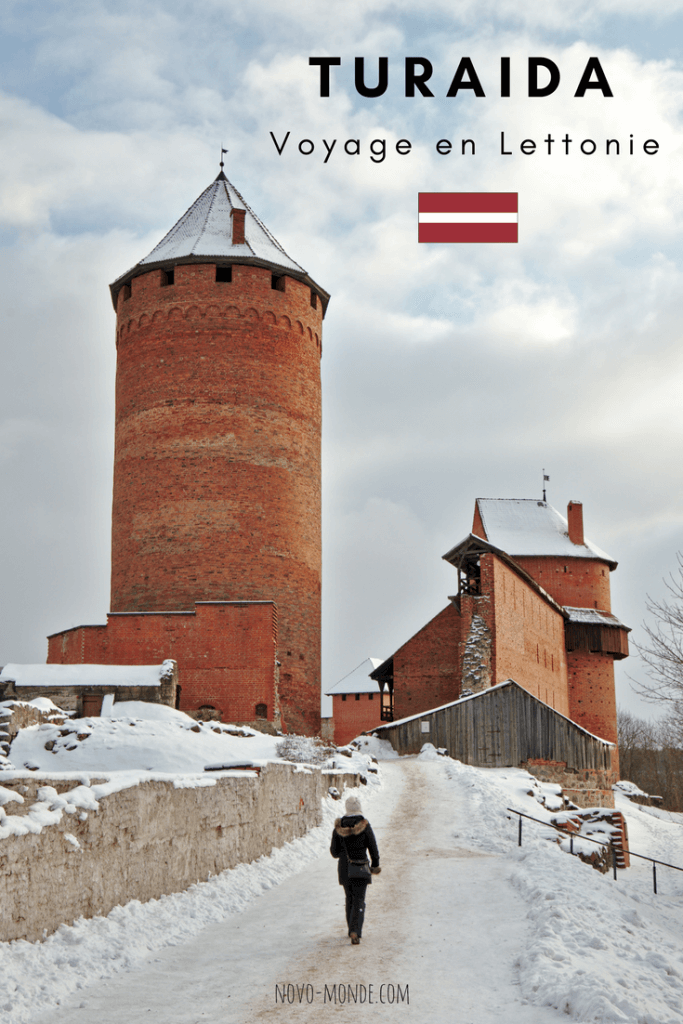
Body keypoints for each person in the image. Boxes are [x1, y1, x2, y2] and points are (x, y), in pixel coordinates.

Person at [330, 795, 380, 944]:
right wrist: (375, 865)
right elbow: (373, 846)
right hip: (360, 867)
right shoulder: (364, 825)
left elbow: (334, 852)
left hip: (345, 868)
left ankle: (350, 929)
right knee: (359, 900)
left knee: (349, 898)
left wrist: (344, 855)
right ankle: (355, 931)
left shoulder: (338, 828)